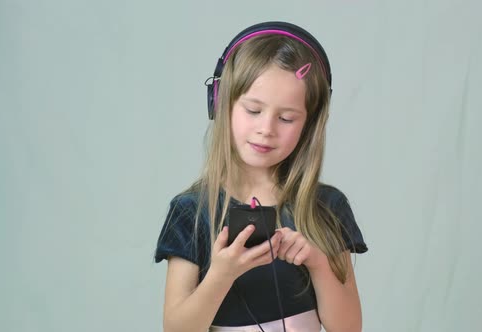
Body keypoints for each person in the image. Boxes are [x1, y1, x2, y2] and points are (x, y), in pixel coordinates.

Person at [154, 21, 368, 332]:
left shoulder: (327, 207)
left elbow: (349, 328)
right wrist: (222, 274)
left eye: (286, 118)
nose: (266, 129)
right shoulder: (192, 211)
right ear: (220, 103)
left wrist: (319, 264)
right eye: (253, 110)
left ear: (309, 124)